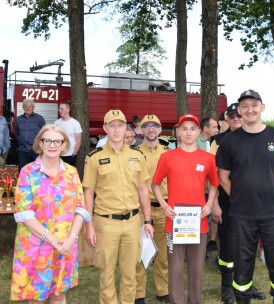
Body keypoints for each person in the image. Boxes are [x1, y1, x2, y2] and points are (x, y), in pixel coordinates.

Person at [216, 90, 274, 304]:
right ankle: (242, 298)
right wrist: (240, 197)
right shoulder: (230, 142)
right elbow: (223, 177)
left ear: (262, 107)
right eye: (245, 106)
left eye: (254, 105)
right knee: (242, 262)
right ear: (239, 111)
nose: (250, 109)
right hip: (242, 214)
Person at [10, 124, 90, 303]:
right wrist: (54, 241)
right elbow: (24, 214)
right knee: (37, 297)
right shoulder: (28, 172)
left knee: (59, 294)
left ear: (64, 145)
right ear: (40, 144)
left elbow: (80, 209)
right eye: (47, 140)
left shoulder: (72, 172)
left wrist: (71, 238)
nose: (52, 145)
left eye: (57, 141)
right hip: (36, 245)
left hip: (65, 245)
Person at [82, 109, 154, 304]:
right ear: (105, 128)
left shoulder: (137, 156)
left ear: (126, 128)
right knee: (106, 273)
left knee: (130, 272)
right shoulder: (94, 157)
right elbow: (88, 192)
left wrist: (147, 221)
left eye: (120, 125)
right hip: (106, 223)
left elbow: (143, 190)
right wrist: (88, 226)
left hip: (132, 222)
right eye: (111, 126)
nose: (116, 130)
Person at [151, 114, 218, 304]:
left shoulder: (207, 159)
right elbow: (155, 184)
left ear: (198, 132)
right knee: (175, 267)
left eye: (192, 129)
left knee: (197, 268)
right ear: (178, 132)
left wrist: (209, 204)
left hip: (199, 221)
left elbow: (214, 184)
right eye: (184, 129)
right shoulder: (167, 157)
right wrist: (164, 205)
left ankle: (195, 301)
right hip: (174, 222)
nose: (188, 132)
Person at [134, 114, 170, 303]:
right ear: (141, 130)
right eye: (147, 126)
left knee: (163, 253)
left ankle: (162, 289)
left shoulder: (168, 152)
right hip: (141, 210)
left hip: (163, 207)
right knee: (140, 252)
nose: (151, 129)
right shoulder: (133, 153)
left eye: (154, 126)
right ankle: (139, 292)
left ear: (160, 128)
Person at [16, 99, 46, 168]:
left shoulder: (39, 118)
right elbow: (17, 133)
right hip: (23, 150)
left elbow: (44, 133)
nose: (28, 108)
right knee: (23, 170)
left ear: (33, 107)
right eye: (26, 106)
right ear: (23, 108)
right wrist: (20, 141)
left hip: (36, 150)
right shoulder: (18, 119)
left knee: (37, 170)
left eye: (30, 106)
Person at [54, 101, 82, 166]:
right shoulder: (56, 123)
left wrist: (74, 153)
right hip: (58, 154)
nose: (60, 111)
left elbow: (78, 140)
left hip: (70, 155)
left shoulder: (75, 123)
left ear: (68, 110)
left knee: (68, 174)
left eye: (62, 109)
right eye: (59, 109)